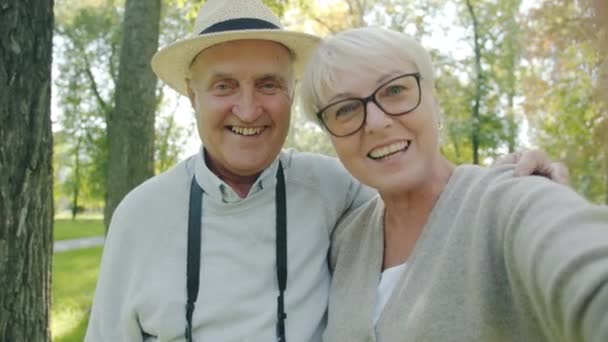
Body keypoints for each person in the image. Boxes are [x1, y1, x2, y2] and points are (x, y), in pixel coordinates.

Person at [85, 1, 570, 341]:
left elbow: (421, 190)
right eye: (224, 86)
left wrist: (512, 181)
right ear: (192, 95)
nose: (248, 109)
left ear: (292, 94)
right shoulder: (141, 216)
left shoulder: (334, 188)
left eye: (269, 84)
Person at [299, 26, 608, 342]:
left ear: (435, 100)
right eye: (346, 109)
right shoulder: (345, 243)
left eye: (394, 90)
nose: (377, 123)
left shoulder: (510, 200)